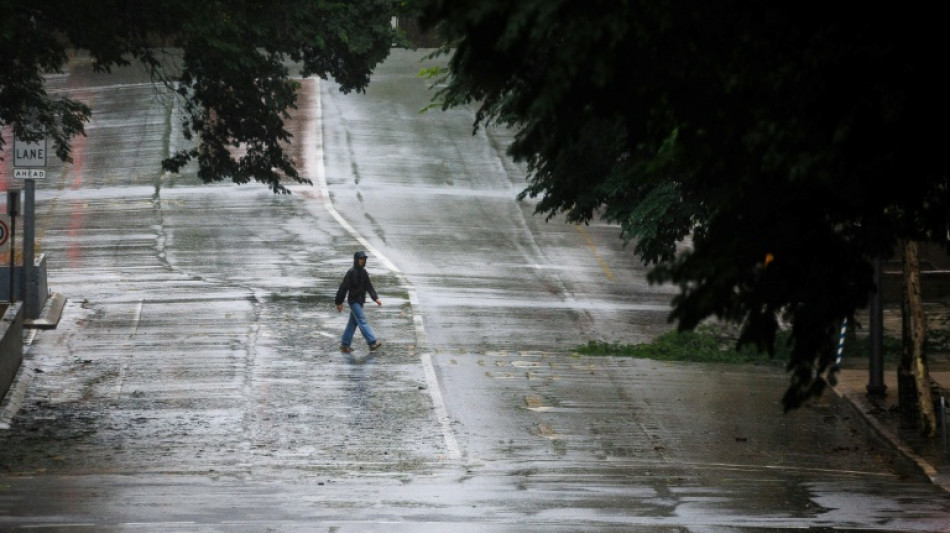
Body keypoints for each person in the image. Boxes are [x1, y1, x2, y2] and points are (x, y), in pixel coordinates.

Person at [335, 250, 382, 353]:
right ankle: (372, 342)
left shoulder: (364, 273)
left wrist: (375, 298)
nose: (363, 261)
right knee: (362, 320)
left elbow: (369, 286)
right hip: (353, 301)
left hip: (360, 301)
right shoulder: (351, 273)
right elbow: (343, 288)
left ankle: (345, 345)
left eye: (364, 259)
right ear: (356, 260)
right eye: (361, 259)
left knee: (353, 323)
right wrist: (339, 302)